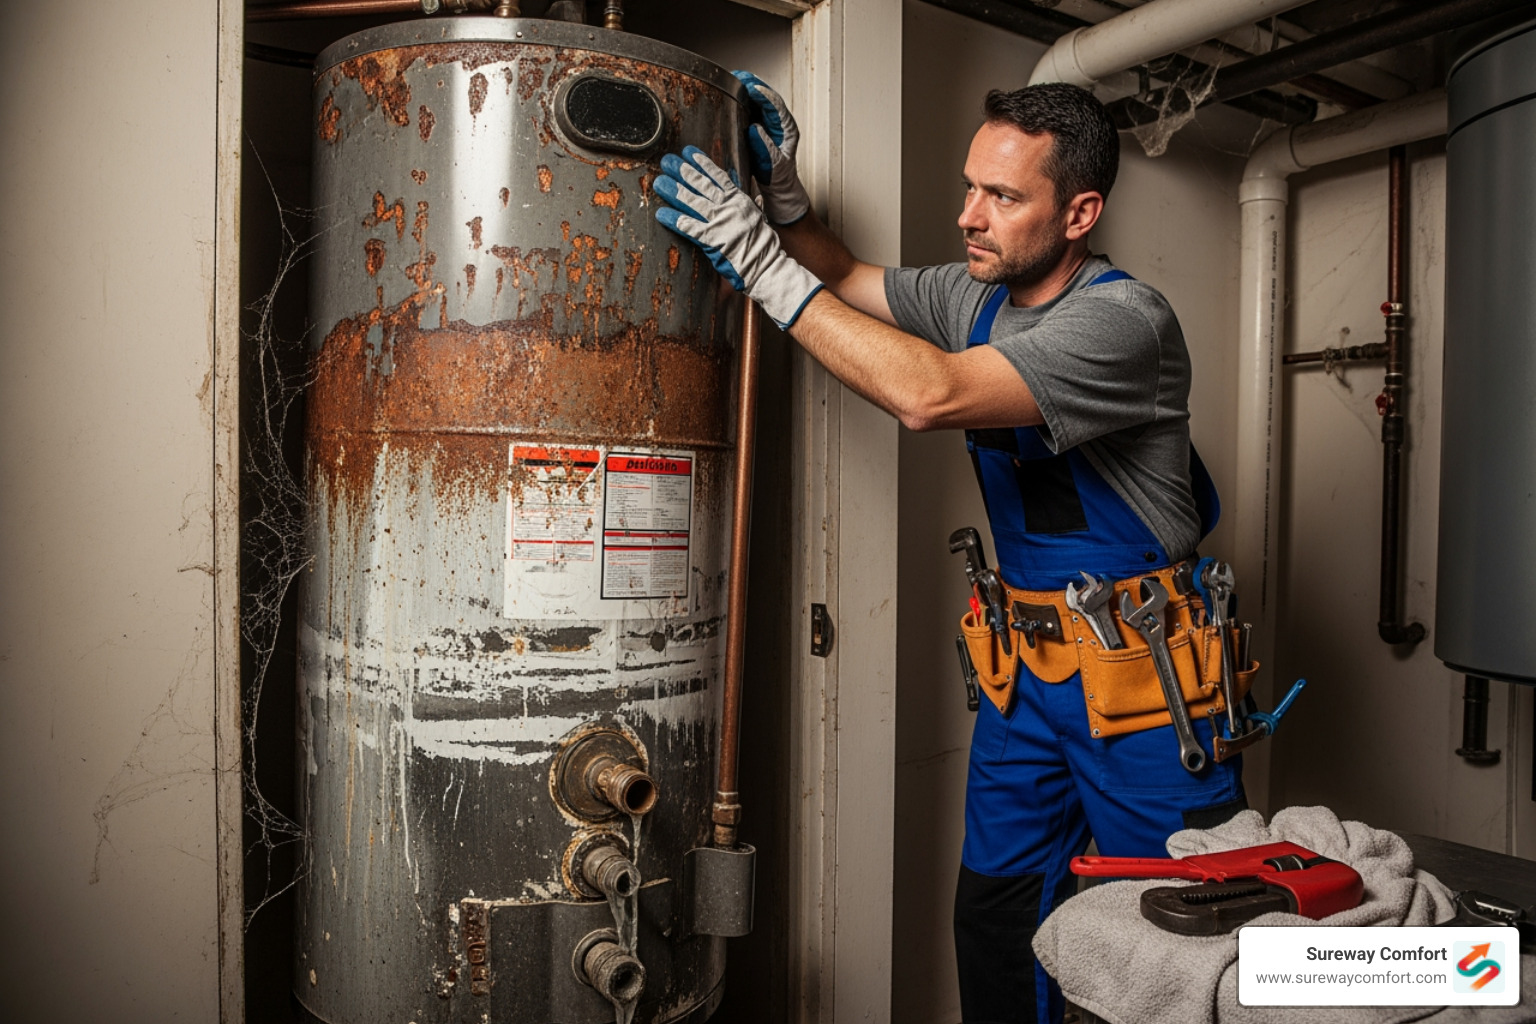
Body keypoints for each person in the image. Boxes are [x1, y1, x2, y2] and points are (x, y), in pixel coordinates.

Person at [654, 76, 1247, 1024]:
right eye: (971, 186)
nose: (968, 215)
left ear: (1080, 211)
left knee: (1174, 947)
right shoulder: (972, 295)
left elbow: (928, 396)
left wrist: (757, 264)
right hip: (1026, 682)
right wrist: (787, 205)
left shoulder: (1124, 323)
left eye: (1003, 198)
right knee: (998, 921)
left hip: (1144, 689)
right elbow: (845, 277)